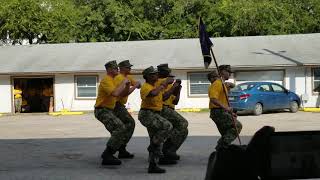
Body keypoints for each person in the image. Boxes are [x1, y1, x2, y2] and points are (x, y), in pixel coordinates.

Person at [138, 66, 177, 173]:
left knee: (156, 138)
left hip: (155, 113)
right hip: (147, 113)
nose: (156, 75)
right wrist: (163, 84)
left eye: (156, 74)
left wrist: (173, 87)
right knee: (167, 126)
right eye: (154, 74)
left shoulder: (156, 86)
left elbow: (163, 97)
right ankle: (152, 146)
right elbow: (153, 94)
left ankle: (153, 165)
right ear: (148, 76)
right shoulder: (146, 87)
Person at [94, 60, 131, 166]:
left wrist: (127, 85)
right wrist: (123, 82)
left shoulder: (113, 80)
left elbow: (122, 94)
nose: (117, 70)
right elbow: (115, 93)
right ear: (109, 70)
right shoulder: (106, 80)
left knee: (120, 129)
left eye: (117, 68)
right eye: (115, 68)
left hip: (109, 110)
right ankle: (107, 155)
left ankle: (116, 151)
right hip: (102, 110)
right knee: (120, 128)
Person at [156, 64, 188, 162]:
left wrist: (178, 90)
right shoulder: (159, 83)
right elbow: (163, 97)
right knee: (183, 123)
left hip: (169, 109)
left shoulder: (168, 85)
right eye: (168, 73)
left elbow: (175, 101)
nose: (170, 76)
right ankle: (164, 150)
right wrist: (173, 87)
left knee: (183, 131)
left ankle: (170, 151)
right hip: (162, 108)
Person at [208, 65, 242, 150]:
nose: (230, 74)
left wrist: (230, 112)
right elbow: (213, 99)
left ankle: (223, 149)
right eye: (228, 72)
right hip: (218, 112)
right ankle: (221, 146)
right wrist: (226, 108)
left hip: (223, 111)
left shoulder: (222, 84)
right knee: (237, 126)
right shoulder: (217, 84)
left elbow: (232, 88)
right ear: (223, 72)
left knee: (226, 133)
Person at [113, 60, 141, 159]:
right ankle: (118, 148)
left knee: (125, 125)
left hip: (120, 105)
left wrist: (136, 84)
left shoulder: (127, 77)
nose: (130, 69)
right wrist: (134, 86)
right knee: (129, 123)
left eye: (130, 67)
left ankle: (121, 149)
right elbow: (123, 94)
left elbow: (139, 85)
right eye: (128, 67)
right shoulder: (118, 78)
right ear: (122, 68)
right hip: (116, 105)